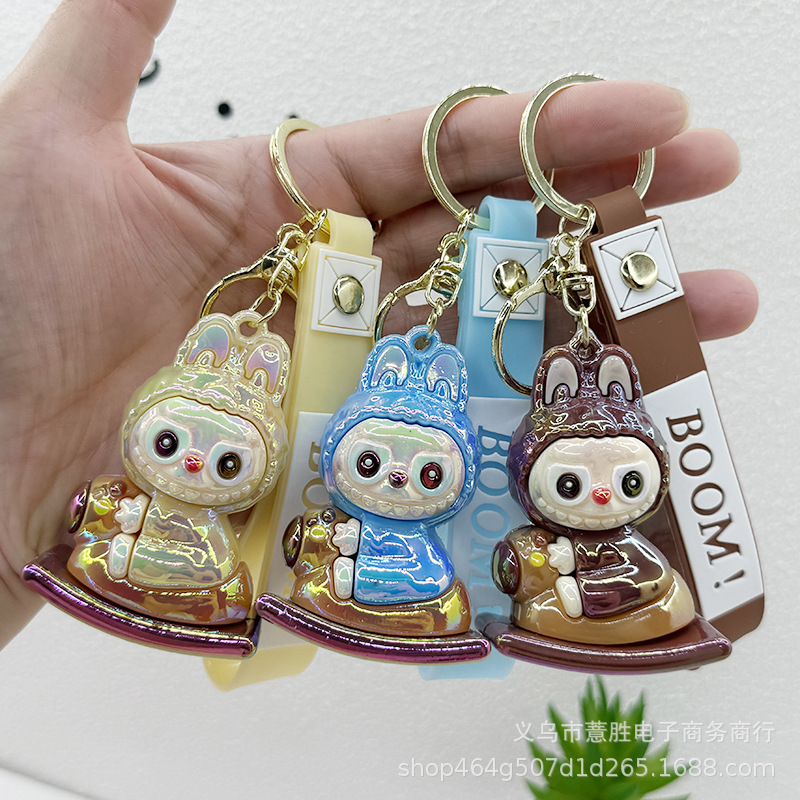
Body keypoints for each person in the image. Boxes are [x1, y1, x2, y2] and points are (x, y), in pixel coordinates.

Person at [0, 0, 757, 651]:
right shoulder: (249, 501)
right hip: (217, 563)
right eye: (171, 445)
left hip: (429, 585)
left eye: (425, 475)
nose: (194, 464)